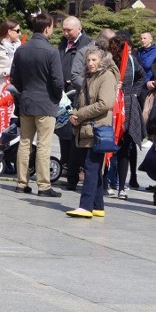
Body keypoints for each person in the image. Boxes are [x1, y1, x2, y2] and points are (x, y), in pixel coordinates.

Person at [9, 13, 63, 197]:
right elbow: (57, 81)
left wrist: (25, 91)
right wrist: (56, 98)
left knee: (25, 142)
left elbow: (15, 78)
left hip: (27, 101)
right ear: (47, 28)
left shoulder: (22, 50)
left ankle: (21, 182)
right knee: (43, 145)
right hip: (46, 103)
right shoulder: (51, 51)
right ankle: (43, 185)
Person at [65, 46, 118, 218]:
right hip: (87, 127)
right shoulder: (89, 77)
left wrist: (79, 115)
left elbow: (105, 103)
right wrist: (74, 113)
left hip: (97, 128)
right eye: (88, 60)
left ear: (102, 60)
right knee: (93, 167)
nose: (90, 63)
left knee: (91, 167)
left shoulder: (107, 76)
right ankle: (97, 205)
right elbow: (81, 101)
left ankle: (85, 206)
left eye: (94, 60)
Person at [107, 33, 145, 199]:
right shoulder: (109, 60)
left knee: (125, 148)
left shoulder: (131, 60)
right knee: (108, 146)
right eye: (126, 46)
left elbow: (141, 77)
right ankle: (107, 183)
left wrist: (133, 94)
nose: (128, 49)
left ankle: (122, 186)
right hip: (111, 106)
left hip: (127, 106)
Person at [57, 16, 91, 188]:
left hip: (78, 94)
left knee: (74, 133)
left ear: (79, 28)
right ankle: (65, 164)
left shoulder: (87, 45)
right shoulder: (63, 43)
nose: (65, 33)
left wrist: (77, 80)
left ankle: (77, 169)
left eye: (68, 30)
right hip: (63, 93)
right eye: (64, 30)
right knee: (63, 130)